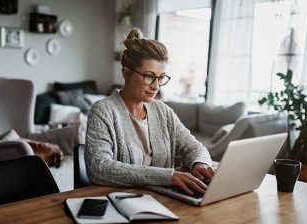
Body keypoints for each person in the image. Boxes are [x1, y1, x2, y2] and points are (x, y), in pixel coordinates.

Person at [85, 28, 215, 195]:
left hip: (164, 200)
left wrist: (200, 164)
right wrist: (168, 176)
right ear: (126, 73)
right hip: (121, 203)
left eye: (161, 78)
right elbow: (100, 167)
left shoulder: (163, 111)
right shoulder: (103, 111)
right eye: (149, 76)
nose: (156, 86)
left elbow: (194, 147)